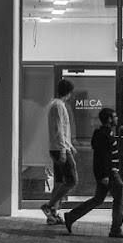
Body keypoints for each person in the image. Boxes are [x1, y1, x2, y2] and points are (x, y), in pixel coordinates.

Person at [64, 108, 123, 238]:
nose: (117, 119)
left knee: (98, 199)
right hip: (110, 174)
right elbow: (102, 157)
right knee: (119, 197)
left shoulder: (105, 134)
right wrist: (105, 175)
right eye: (115, 117)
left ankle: (71, 216)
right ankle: (116, 229)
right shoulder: (104, 136)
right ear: (109, 119)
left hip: (108, 174)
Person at [40, 79, 78, 225]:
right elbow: (59, 130)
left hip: (59, 147)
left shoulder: (55, 104)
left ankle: (53, 215)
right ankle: (49, 207)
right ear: (68, 93)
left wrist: (68, 146)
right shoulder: (58, 106)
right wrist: (64, 149)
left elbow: (61, 130)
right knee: (72, 180)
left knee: (59, 182)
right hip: (59, 149)